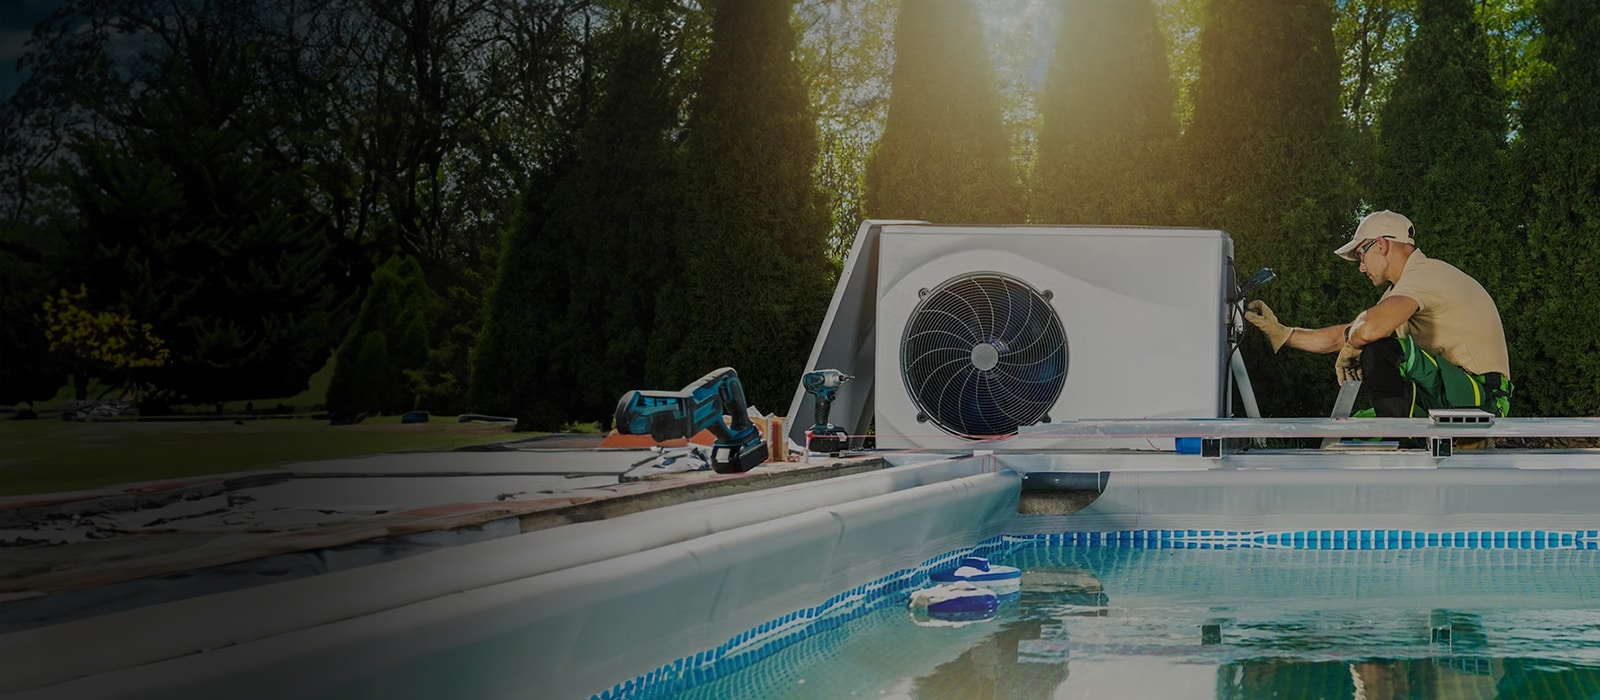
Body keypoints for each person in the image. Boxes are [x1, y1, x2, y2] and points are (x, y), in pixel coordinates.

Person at [1243, 210, 1513, 418]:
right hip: (1452, 393)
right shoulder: (1403, 290)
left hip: (1483, 399)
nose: (1361, 267)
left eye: (1361, 255)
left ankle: (1405, 441)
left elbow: (1368, 330)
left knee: (1380, 351)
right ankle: (1398, 438)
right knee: (1358, 430)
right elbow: (1347, 334)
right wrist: (1282, 333)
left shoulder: (1426, 275)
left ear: (1381, 245)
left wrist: (1356, 344)